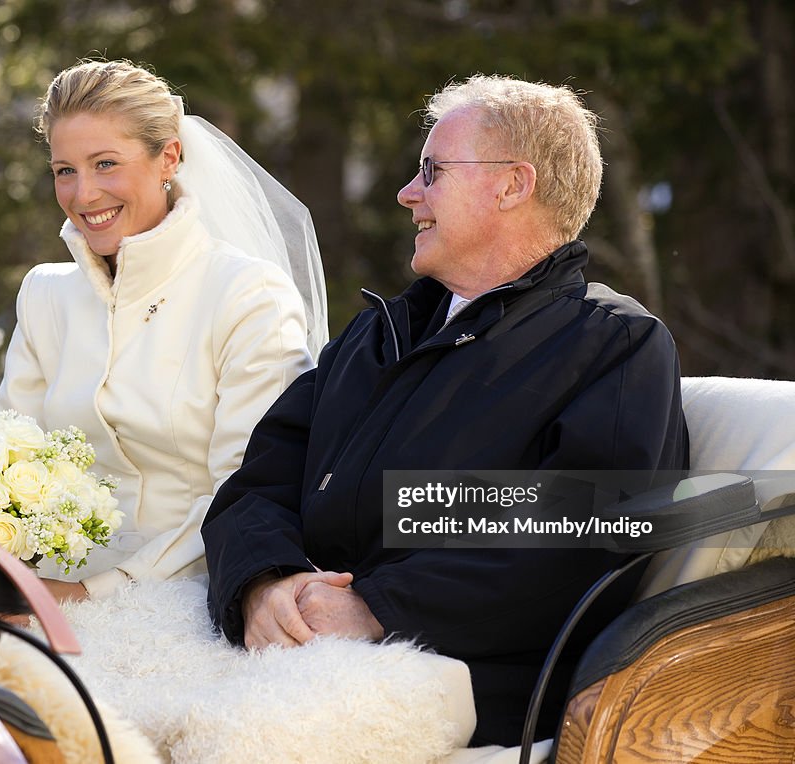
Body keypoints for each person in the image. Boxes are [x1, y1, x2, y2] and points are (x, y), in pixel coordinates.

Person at [201, 74, 689, 746]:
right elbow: (258, 484)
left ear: (512, 185)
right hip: (303, 653)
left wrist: (375, 608)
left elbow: (582, 539)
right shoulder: (378, 334)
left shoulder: (613, 345)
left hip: (466, 680)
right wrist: (263, 582)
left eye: (432, 171)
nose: (407, 193)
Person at [0, 59, 328, 602]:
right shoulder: (44, 293)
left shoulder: (248, 295)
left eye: (105, 163)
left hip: (195, 590)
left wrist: (94, 591)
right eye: (64, 170)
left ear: (168, 157)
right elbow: (5, 459)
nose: (83, 195)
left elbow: (247, 492)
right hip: (43, 591)